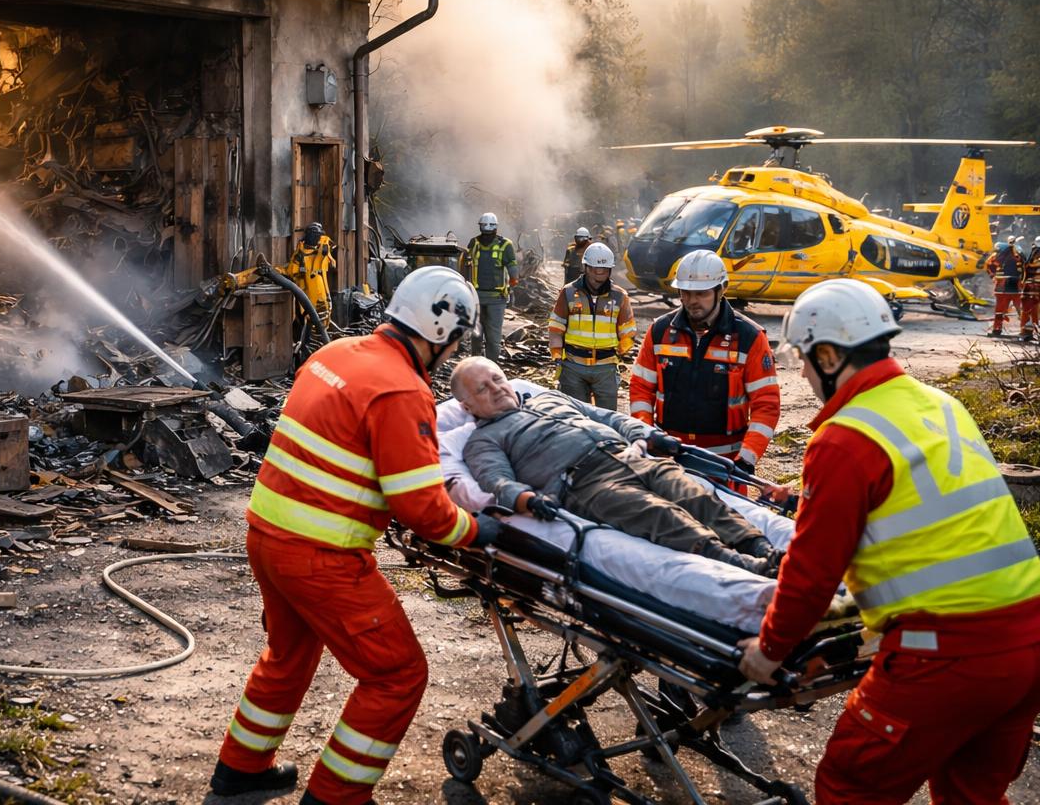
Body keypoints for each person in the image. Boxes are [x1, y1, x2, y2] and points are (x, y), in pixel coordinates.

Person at [739, 279, 1040, 804]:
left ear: (828, 354)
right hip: (1037, 643)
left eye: (802, 357)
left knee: (849, 789)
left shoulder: (844, 438)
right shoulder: (938, 404)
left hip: (949, 659)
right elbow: (920, 494)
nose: (800, 371)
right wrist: (808, 497)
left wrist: (770, 651)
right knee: (970, 796)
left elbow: (811, 574)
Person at [212, 267, 501, 805]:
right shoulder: (399, 389)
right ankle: (336, 797)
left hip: (268, 537)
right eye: (457, 340)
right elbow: (424, 511)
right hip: (321, 558)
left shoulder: (335, 354)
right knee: (397, 675)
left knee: (288, 655)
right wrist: (481, 530)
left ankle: (241, 772)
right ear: (440, 333)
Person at [453, 356, 781, 575]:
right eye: (483, 388)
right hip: (585, 483)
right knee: (660, 514)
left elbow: (608, 416)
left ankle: (764, 549)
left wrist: (648, 435)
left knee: (696, 496)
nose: (496, 388)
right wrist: (527, 500)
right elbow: (497, 481)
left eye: (497, 378)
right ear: (467, 405)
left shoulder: (548, 398)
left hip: (629, 456)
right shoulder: (482, 441)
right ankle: (746, 566)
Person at [628, 250, 781, 480]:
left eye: (701, 293)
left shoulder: (749, 337)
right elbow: (641, 389)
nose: (692, 301)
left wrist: (747, 459)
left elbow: (766, 404)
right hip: (669, 462)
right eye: (686, 293)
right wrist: (647, 434)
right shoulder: (660, 331)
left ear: (722, 289)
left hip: (725, 467)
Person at [549, 241, 635, 409]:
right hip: (573, 366)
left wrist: (617, 356)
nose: (598, 274)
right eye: (594, 269)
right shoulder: (568, 292)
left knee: (607, 418)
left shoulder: (620, 296)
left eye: (603, 270)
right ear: (585, 267)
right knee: (577, 418)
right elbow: (556, 327)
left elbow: (628, 332)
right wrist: (558, 357)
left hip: (606, 368)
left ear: (609, 270)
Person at [460, 211, 519, 363]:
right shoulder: (479, 244)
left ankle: (483, 366)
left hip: (488, 299)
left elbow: (465, 267)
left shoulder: (498, 244)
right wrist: (512, 286)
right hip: (484, 298)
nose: (486, 235)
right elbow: (513, 272)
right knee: (484, 336)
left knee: (484, 336)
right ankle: (484, 366)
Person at [282, 222, 335, 324]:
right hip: (306, 288)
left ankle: (321, 335)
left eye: (316, 235)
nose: (314, 238)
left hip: (320, 287)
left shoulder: (323, 248)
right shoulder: (301, 252)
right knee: (309, 315)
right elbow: (291, 270)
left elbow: (331, 263)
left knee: (323, 312)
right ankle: (314, 335)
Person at [986, 238, 1023, 337]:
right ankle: (1025, 331)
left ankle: (997, 329)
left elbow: (988, 265)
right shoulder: (1019, 256)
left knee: (999, 310)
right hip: (1016, 288)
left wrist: (993, 276)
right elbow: (1025, 269)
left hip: (1002, 288)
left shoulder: (998, 256)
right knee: (1022, 310)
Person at [1021, 234, 1040, 342]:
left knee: (1026, 311)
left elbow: (1026, 271)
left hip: (1029, 288)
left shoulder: (1033, 256)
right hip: (1037, 289)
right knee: (1034, 311)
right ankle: (1034, 332)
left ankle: (1025, 332)